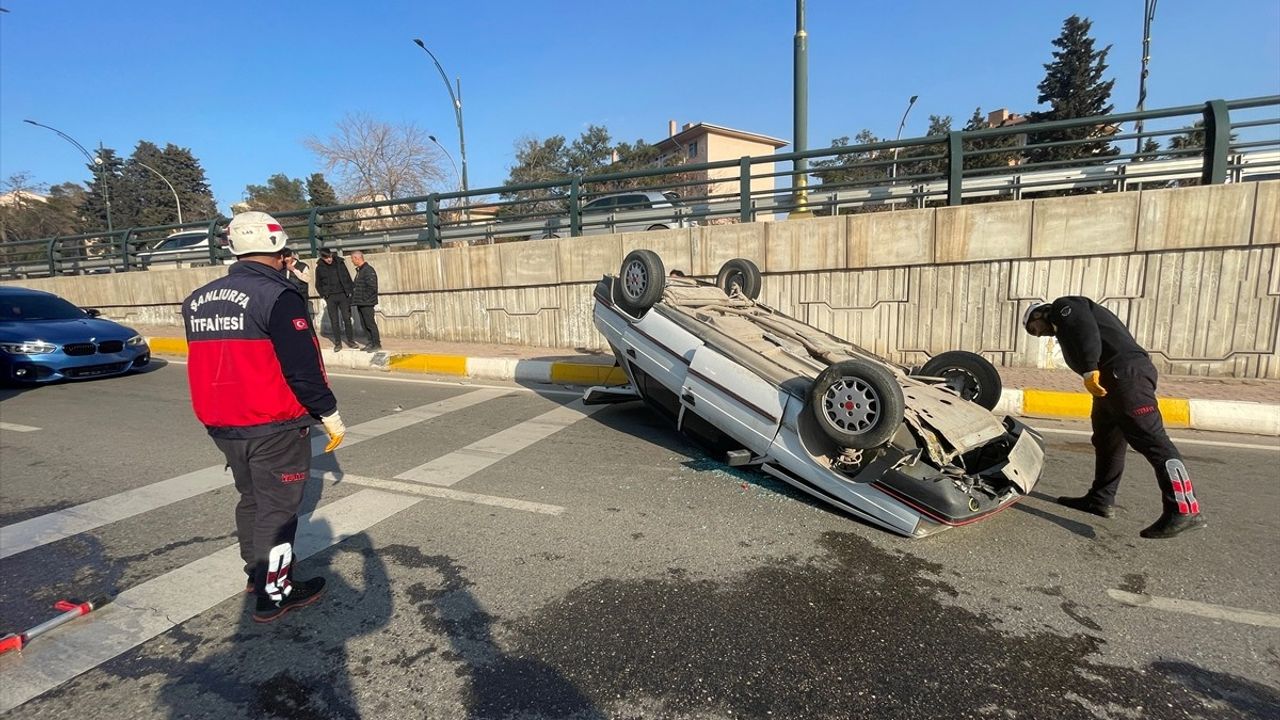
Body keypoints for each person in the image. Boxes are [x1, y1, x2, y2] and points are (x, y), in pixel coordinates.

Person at [182, 211, 347, 622]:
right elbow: (301, 366)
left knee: (252, 500)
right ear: (277, 248)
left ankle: (258, 575)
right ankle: (276, 591)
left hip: (224, 423)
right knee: (278, 510)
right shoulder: (278, 296)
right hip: (272, 421)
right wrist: (328, 412)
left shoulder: (197, 299)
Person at [1023, 297, 1205, 539]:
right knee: (1106, 440)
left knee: (1152, 440)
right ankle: (1100, 499)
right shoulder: (1062, 326)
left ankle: (1184, 508)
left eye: (1033, 330)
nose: (1039, 335)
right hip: (1111, 382)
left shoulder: (1064, 307)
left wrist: (1089, 367)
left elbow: (1084, 329)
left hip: (1125, 376)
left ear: (1037, 314)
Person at [314, 248, 356, 351]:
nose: (329, 259)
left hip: (343, 295)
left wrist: (350, 291)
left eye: (330, 256)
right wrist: (324, 295)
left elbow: (348, 277)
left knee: (347, 318)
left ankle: (350, 341)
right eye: (326, 258)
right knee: (334, 321)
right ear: (322, 258)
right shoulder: (319, 268)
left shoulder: (340, 263)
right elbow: (318, 284)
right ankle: (338, 343)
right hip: (330, 297)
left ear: (332, 254)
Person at [349, 250, 381, 352]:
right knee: (364, 324)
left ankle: (376, 344)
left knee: (370, 323)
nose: (352, 261)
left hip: (367, 303)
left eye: (352, 259)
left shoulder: (368, 270)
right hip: (361, 303)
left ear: (357, 258)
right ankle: (370, 342)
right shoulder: (360, 271)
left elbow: (372, 287)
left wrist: (364, 299)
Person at [281, 248, 313, 320]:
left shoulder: (302, 266)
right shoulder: (282, 268)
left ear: (292, 256)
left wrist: (294, 270)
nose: (287, 259)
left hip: (301, 295)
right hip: (287, 295)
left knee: (304, 316)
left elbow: (307, 279)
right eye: (285, 257)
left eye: (288, 256)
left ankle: (309, 331)